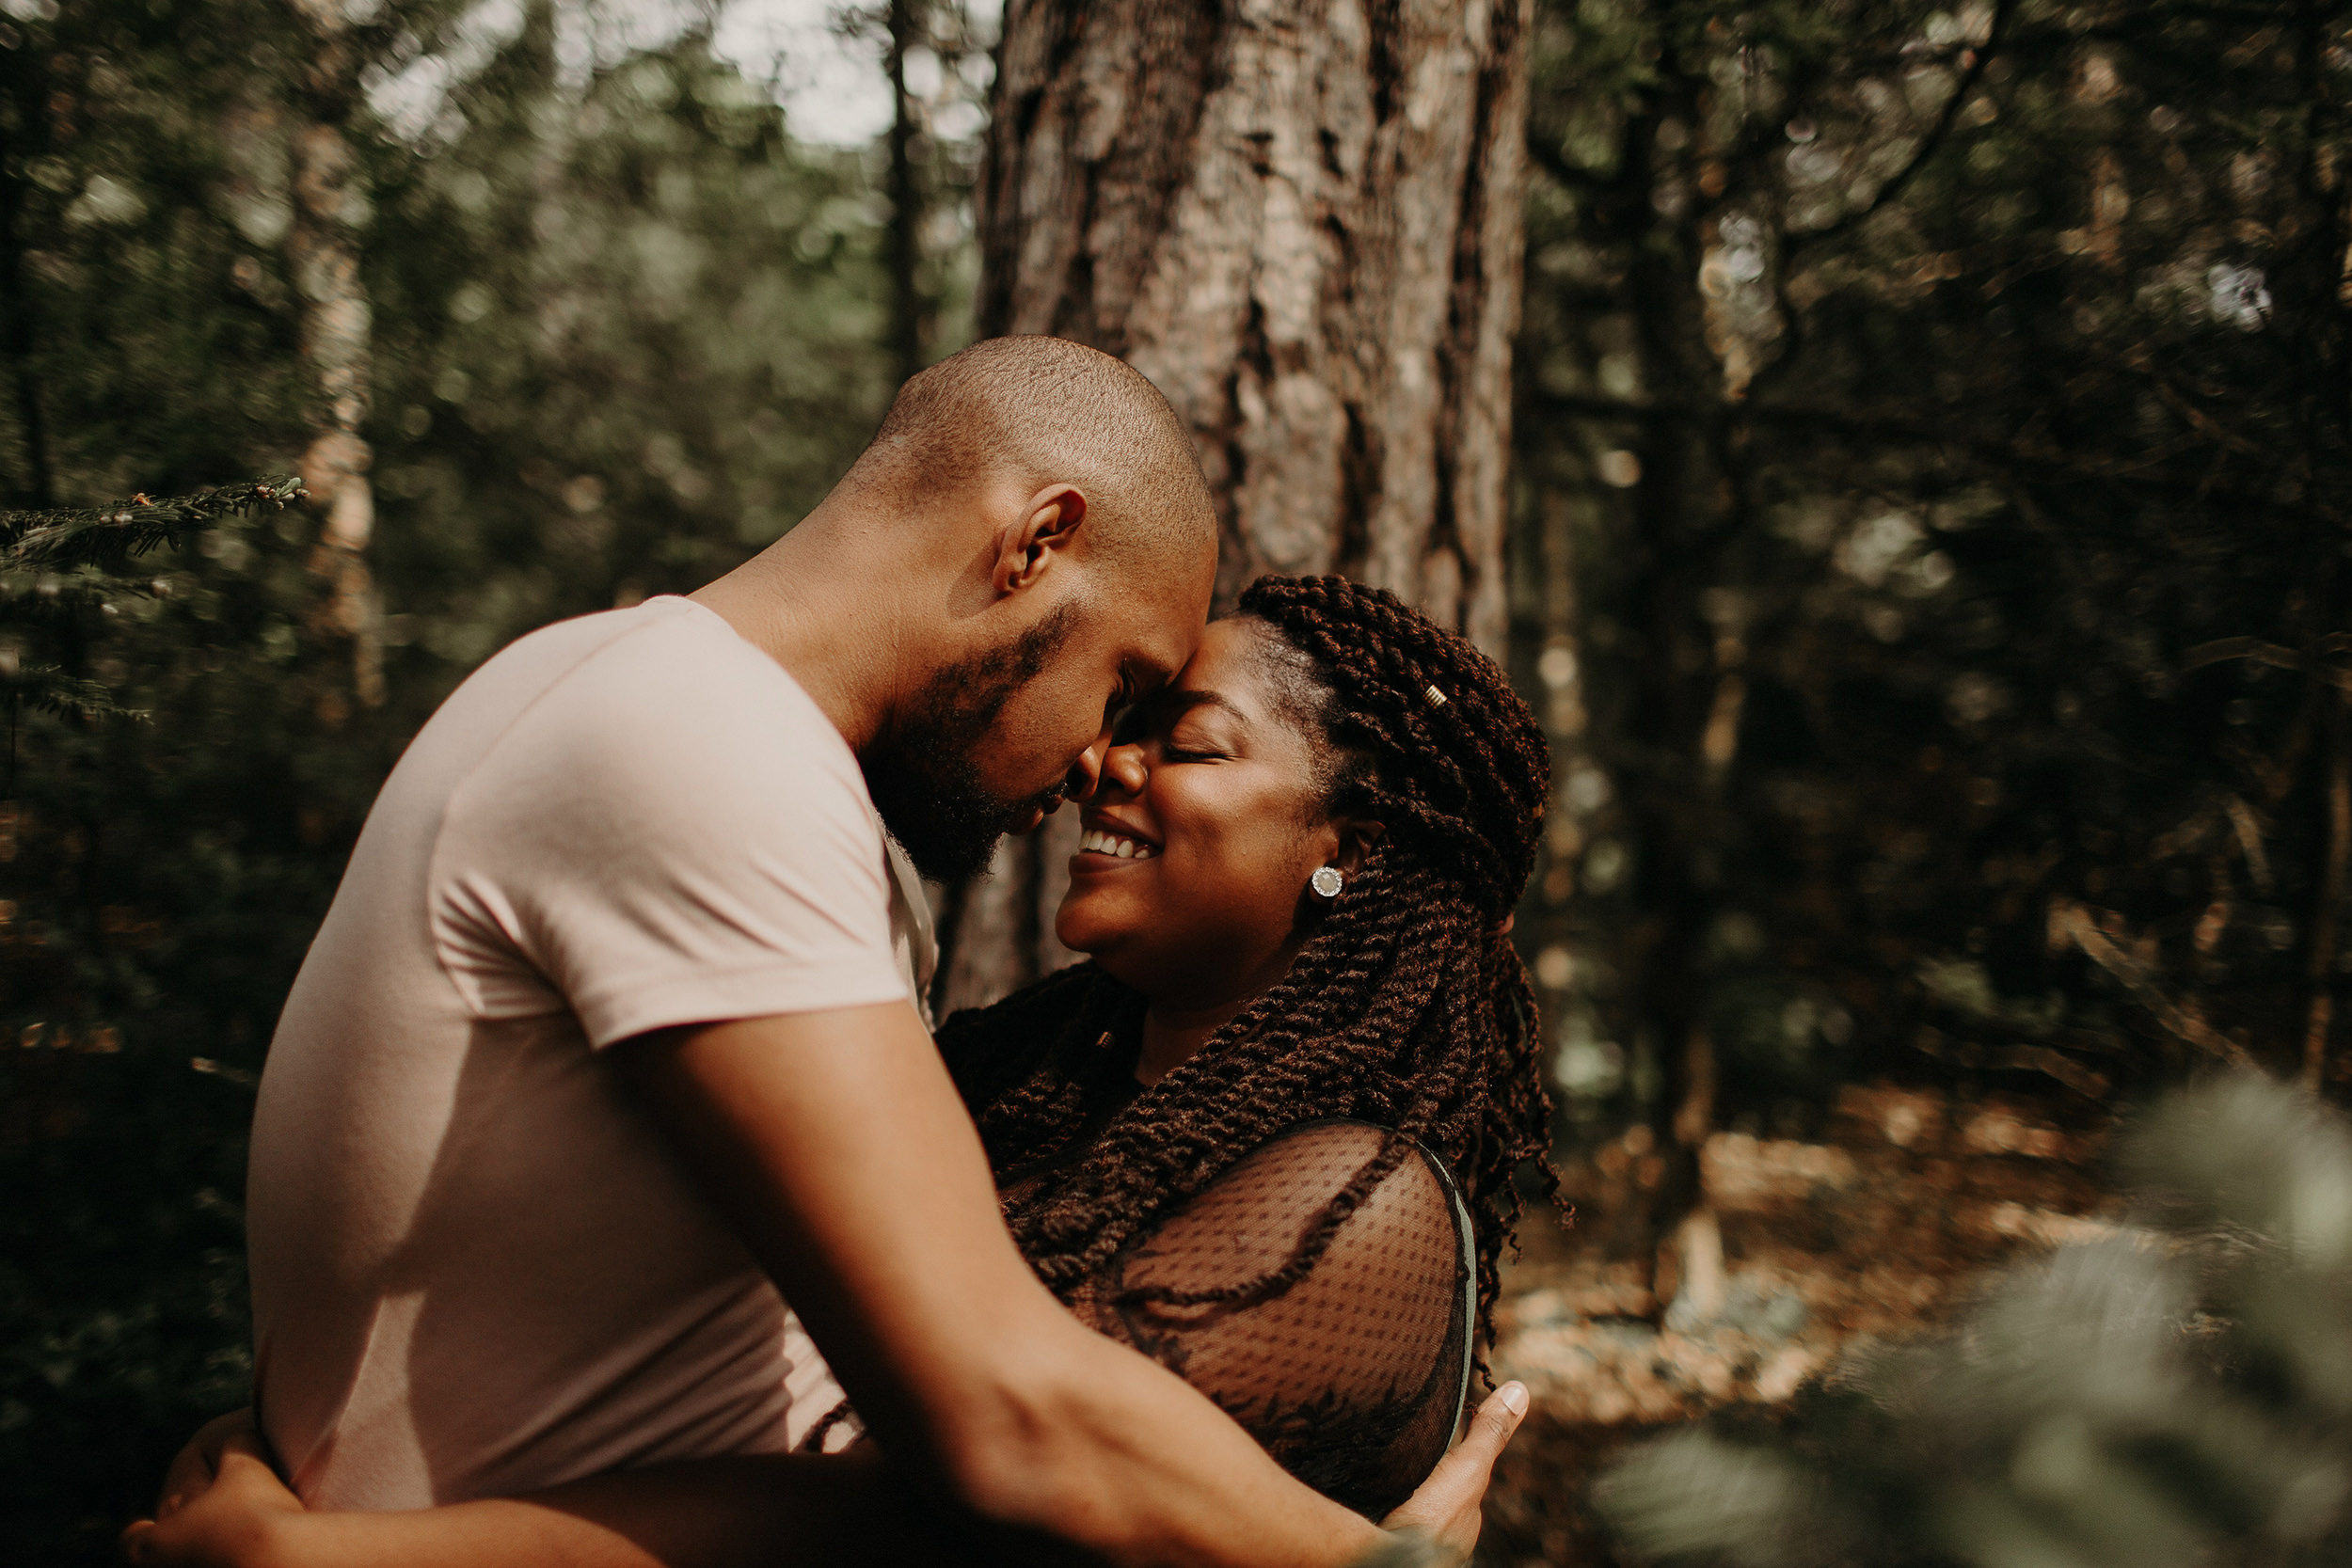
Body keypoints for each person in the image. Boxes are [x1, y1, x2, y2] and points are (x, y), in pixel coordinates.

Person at [127, 338, 1524, 1568]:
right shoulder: (705, 750)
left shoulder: (626, 693)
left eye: (1171, 719)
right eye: (1124, 681)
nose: (1104, 750)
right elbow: (999, 1419)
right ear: (1034, 543)